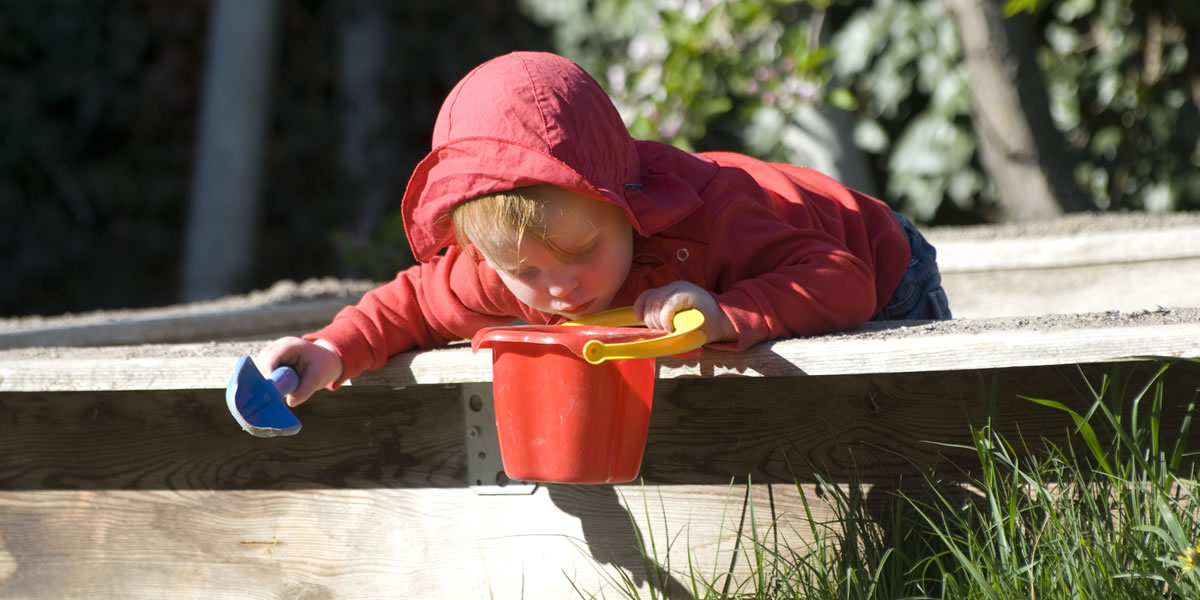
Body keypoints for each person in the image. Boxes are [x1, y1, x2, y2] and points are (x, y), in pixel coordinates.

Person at [257, 51, 951, 406]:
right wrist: (330, 351)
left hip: (871, 258)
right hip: (781, 277)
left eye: (584, 251)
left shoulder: (710, 223)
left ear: (626, 206)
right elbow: (408, 304)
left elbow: (843, 282)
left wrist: (725, 312)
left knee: (894, 407)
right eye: (523, 272)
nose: (557, 288)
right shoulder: (504, 268)